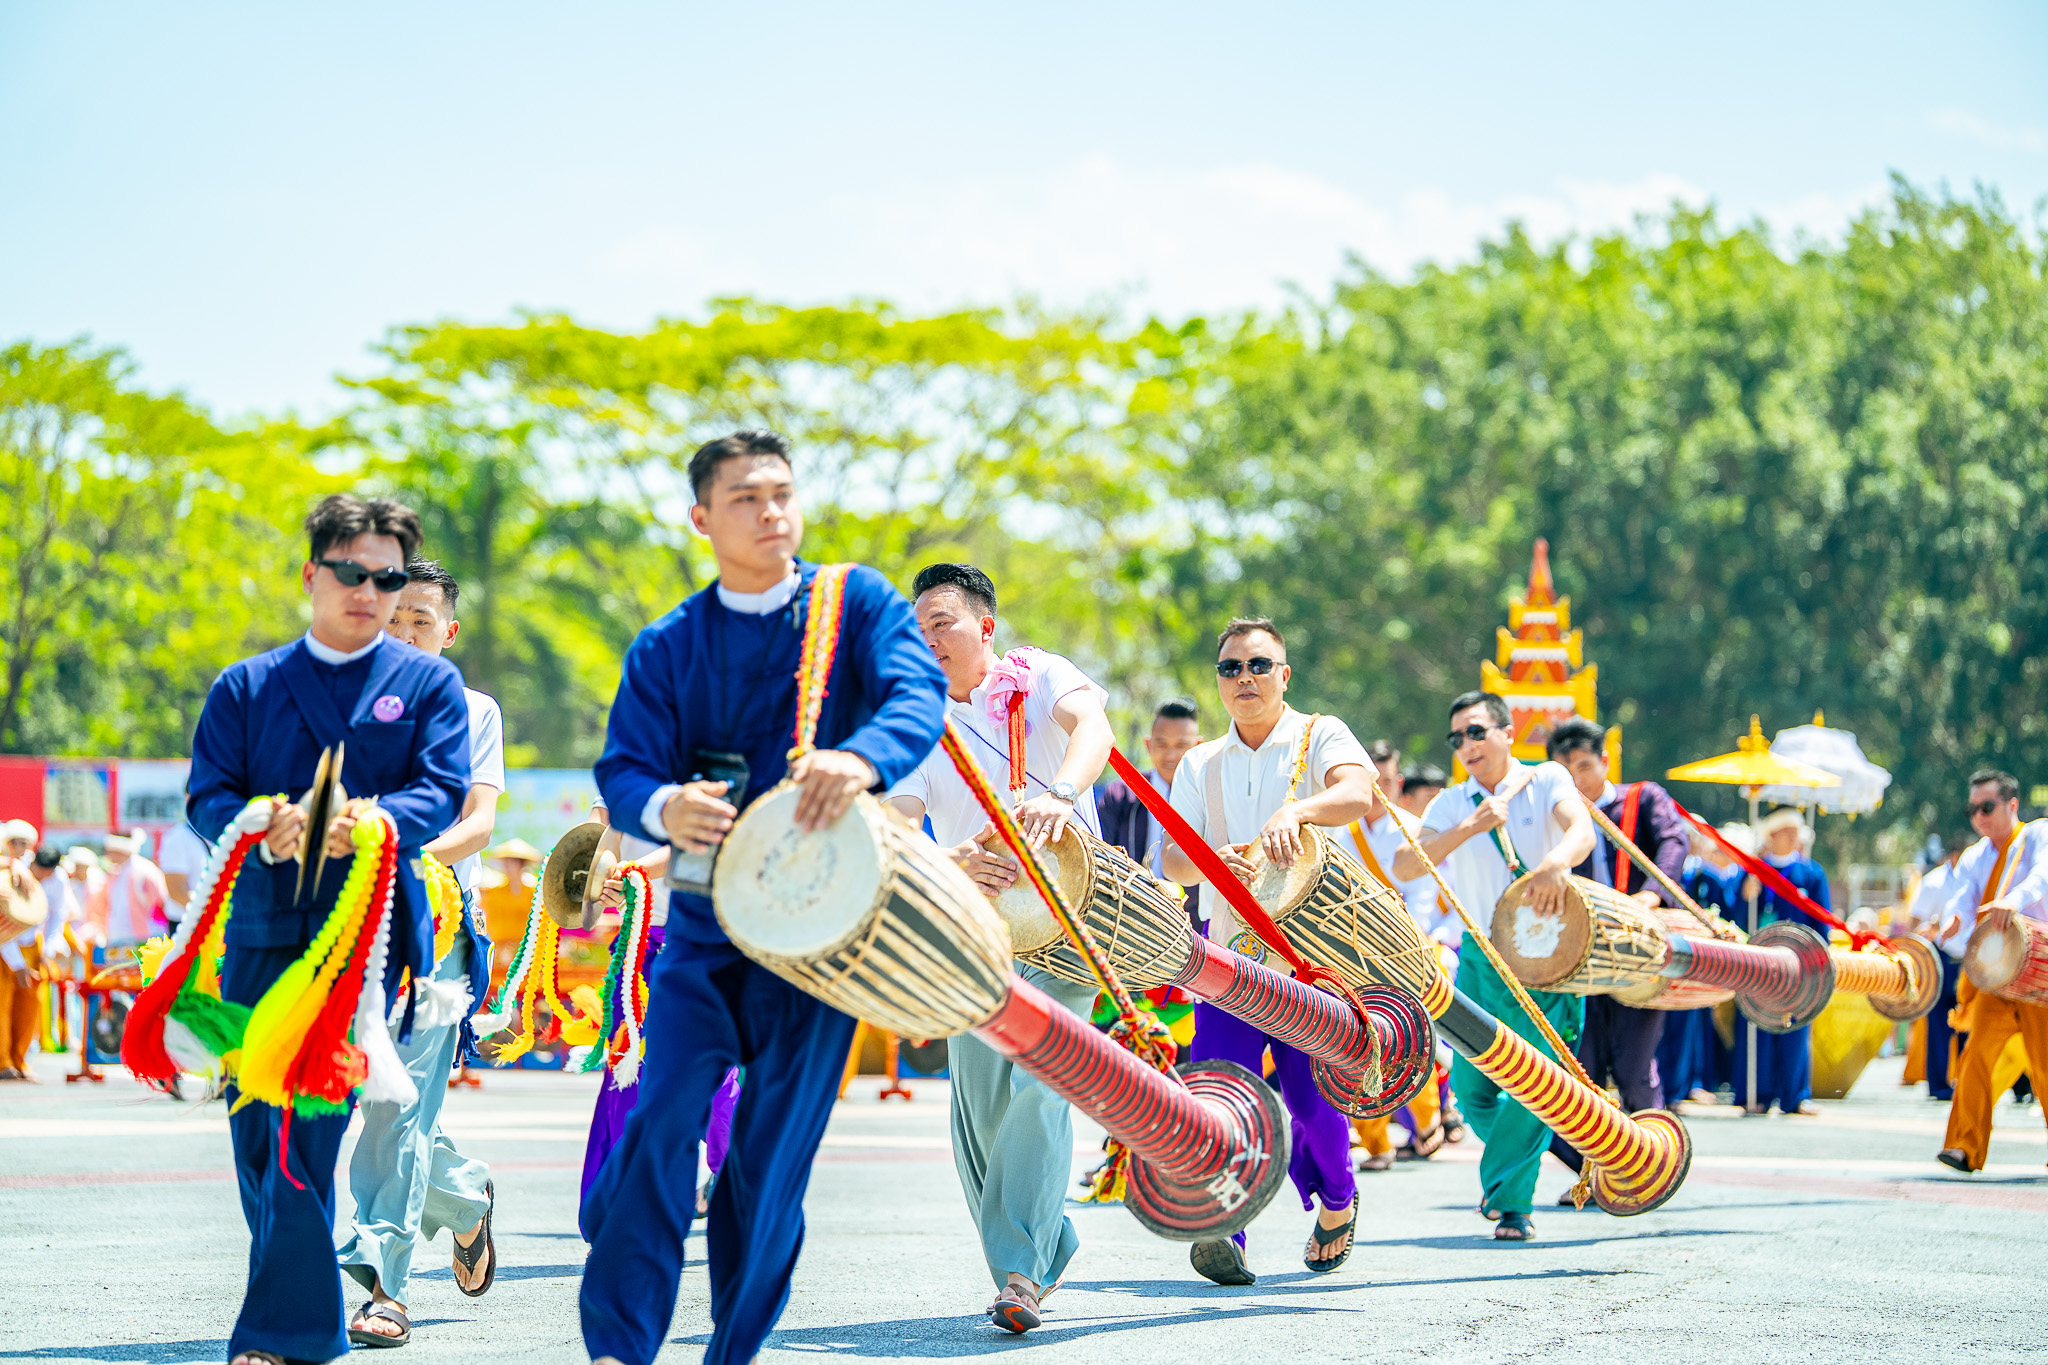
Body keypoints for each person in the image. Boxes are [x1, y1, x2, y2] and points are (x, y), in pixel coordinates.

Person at [583, 430, 945, 1365]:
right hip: (703, 934)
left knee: (769, 1164)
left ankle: (731, 1352)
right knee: (663, 1123)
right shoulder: (668, 644)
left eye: (782, 492)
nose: (771, 511)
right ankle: (620, 1348)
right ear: (701, 518)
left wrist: (859, 757)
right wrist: (668, 804)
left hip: (826, 940)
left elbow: (916, 694)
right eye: (746, 497)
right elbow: (624, 765)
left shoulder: (854, 603)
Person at [187, 492, 471, 1365]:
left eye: (387, 577)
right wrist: (258, 820)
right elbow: (207, 795)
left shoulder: (429, 684)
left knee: (307, 1125)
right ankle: (296, 1312)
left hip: (370, 944)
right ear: (313, 573)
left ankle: (281, 1336)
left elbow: (443, 791)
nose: (369, 590)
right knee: (253, 1127)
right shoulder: (248, 685)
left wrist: (376, 819)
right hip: (261, 933)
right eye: (352, 571)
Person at [884, 562, 1115, 1333]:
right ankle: (1051, 1240)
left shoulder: (1041, 673)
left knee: (1043, 1085)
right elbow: (899, 820)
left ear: (986, 627)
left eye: (942, 621)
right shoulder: (914, 717)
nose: (928, 638)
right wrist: (946, 861)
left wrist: (1060, 794)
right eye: (916, 628)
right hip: (972, 931)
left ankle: (1019, 1273)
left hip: (1066, 920)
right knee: (978, 1108)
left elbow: (1097, 731)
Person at [1160, 616, 1373, 1284]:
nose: (1244, 678)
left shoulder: (1319, 733)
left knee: (1312, 1103)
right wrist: (1205, 859)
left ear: (1285, 673)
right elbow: (1172, 855)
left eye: (1258, 665)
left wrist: (1297, 812)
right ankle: (1228, 1230)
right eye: (1231, 668)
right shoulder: (1200, 762)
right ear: (1219, 681)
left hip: (1315, 965)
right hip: (1231, 964)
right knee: (1222, 1099)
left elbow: (1358, 793)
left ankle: (1338, 1199)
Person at [337, 557, 503, 1345]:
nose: (405, 634)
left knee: (391, 1100)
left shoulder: (474, 710)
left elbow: (478, 825)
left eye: (421, 622)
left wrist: (399, 847)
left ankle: (384, 1285)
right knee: (384, 1099)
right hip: (350, 927)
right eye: (393, 618)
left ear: (449, 631)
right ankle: (466, 1198)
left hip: (436, 928)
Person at [1392, 689, 1595, 1243]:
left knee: (1538, 1085)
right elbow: (1406, 864)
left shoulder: (1548, 778)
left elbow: (1581, 829)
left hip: (1549, 956)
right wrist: (1471, 827)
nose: (1466, 745)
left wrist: (1556, 862)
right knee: (1472, 1088)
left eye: (1477, 731)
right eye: (1457, 737)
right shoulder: (1455, 802)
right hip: (1481, 956)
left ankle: (1510, 1203)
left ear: (1508, 732)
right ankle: (1533, 1160)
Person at [578, 800, 740, 1227]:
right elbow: (600, 842)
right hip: (636, 948)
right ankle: (621, 1206)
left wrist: (629, 870)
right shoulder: (626, 759)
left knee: (718, 1089)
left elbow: (698, 841)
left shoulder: (710, 756)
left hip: (703, 941)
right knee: (626, 1076)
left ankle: (736, 1179)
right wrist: (588, 879)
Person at [1542, 717, 1689, 1186]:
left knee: (1631, 1068)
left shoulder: (1643, 798)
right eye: (1566, 772)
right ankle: (1591, 1174)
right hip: (1574, 963)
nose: (1578, 779)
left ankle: (1652, 1168)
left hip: (1637, 956)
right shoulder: (1552, 818)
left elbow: (1673, 842)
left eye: (1585, 766)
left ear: (1605, 761)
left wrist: (1652, 896)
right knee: (1576, 1073)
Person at [1935, 771, 2048, 1172]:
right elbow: (1963, 899)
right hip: (1995, 979)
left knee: (2046, 1067)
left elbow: (2042, 877)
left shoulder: (2037, 836)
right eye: (1973, 810)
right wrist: (1950, 921)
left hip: (2038, 977)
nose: (1979, 817)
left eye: (1987, 807)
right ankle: (1964, 1146)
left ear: (2011, 805)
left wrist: (2012, 901)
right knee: (1975, 1057)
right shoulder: (1974, 856)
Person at [1344, 742, 1444, 1171]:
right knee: (1352, 1042)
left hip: (1404, 946)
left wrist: (1402, 934)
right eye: (1368, 782)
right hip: (1346, 950)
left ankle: (1429, 1119)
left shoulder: (1412, 827)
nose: (1376, 791)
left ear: (1396, 781)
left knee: (1406, 1037)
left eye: (1384, 782)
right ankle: (1376, 1141)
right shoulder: (1336, 829)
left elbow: (1426, 894)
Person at [1733, 807, 1831, 1116]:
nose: (1791, 837)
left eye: (1794, 832)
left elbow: (1822, 921)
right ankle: (1756, 1093)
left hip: (1800, 965)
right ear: (1771, 835)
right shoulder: (1754, 872)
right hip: (1760, 963)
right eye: (1785, 831)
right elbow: (1736, 918)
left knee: (1796, 1026)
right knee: (1757, 1026)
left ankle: (1795, 1095)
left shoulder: (1811, 873)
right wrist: (1746, 896)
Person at [1906, 829, 1974, 1100]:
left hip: (1970, 958)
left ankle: (1967, 1081)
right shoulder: (1933, 881)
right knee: (1938, 1024)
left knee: (1969, 1022)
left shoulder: (1976, 879)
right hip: (1941, 958)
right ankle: (1939, 1085)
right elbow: (1915, 921)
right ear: (1955, 855)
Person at [0, 826, 48, 1082]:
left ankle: (20, 1060)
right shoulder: (4, 872)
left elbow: (58, 913)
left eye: (25, 843)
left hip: (32, 949)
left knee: (30, 1006)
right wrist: (17, 963)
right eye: (14, 843)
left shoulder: (45, 872)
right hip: (5, 950)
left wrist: (47, 951)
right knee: (2, 1006)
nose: (20, 848)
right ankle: (3, 1062)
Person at [87, 832, 169, 948]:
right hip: (117, 938)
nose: (107, 855)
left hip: (143, 938)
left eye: (110, 851)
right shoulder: (114, 873)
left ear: (119, 851)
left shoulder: (145, 870)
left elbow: (161, 903)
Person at [156, 807, 211, 926]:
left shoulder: (216, 832)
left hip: (211, 920)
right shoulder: (178, 837)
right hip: (188, 924)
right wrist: (217, 909)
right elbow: (177, 892)